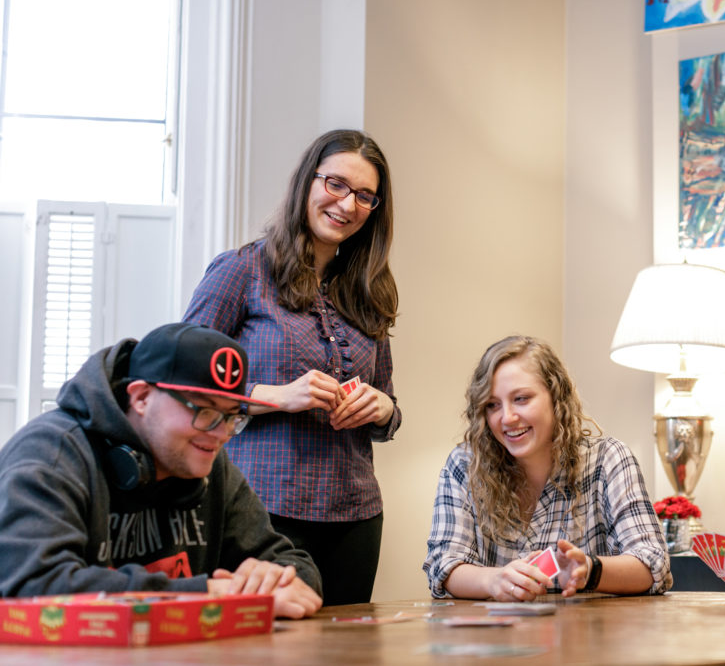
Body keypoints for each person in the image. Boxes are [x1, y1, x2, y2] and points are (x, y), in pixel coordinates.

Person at [183, 129, 400, 605]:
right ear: (308, 181)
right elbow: (184, 384)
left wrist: (382, 407)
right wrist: (278, 396)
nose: (347, 205)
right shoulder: (241, 271)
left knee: (347, 656)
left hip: (356, 518)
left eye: (365, 197)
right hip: (260, 512)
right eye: (336, 184)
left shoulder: (370, 290)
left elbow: (389, 413)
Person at [0, 322, 322, 619]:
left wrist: (269, 581)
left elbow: (299, 570)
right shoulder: (52, 454)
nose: (221, 433)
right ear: (141, 397)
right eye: (205, 410)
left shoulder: (211, 465)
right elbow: (34, 587)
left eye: (230, 416)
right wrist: (207, 594)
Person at [424, 335, 671, 600]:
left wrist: (589, 570)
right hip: (496, 638)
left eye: (521, 398)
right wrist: (493, 580)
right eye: (492, 405)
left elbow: (653, 563)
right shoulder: (464, 465)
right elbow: (443, 566)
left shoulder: (608, 459)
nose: (507, 418)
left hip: (590, 637)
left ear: (556, 397)